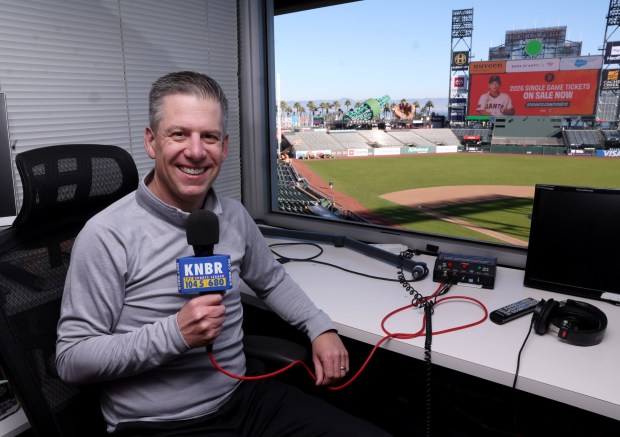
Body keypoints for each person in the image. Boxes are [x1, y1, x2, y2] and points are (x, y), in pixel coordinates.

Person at [56, 71, 392, 436]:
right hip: (158, 425)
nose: (196, 151)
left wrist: (319, 326)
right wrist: (176, 333)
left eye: (209, 137)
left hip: (244, 399)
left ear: (225, 147)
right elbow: (72, 361)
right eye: (179, 133)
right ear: (151, 142)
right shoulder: (106, 234)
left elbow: (272, 281)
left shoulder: (233, 216)